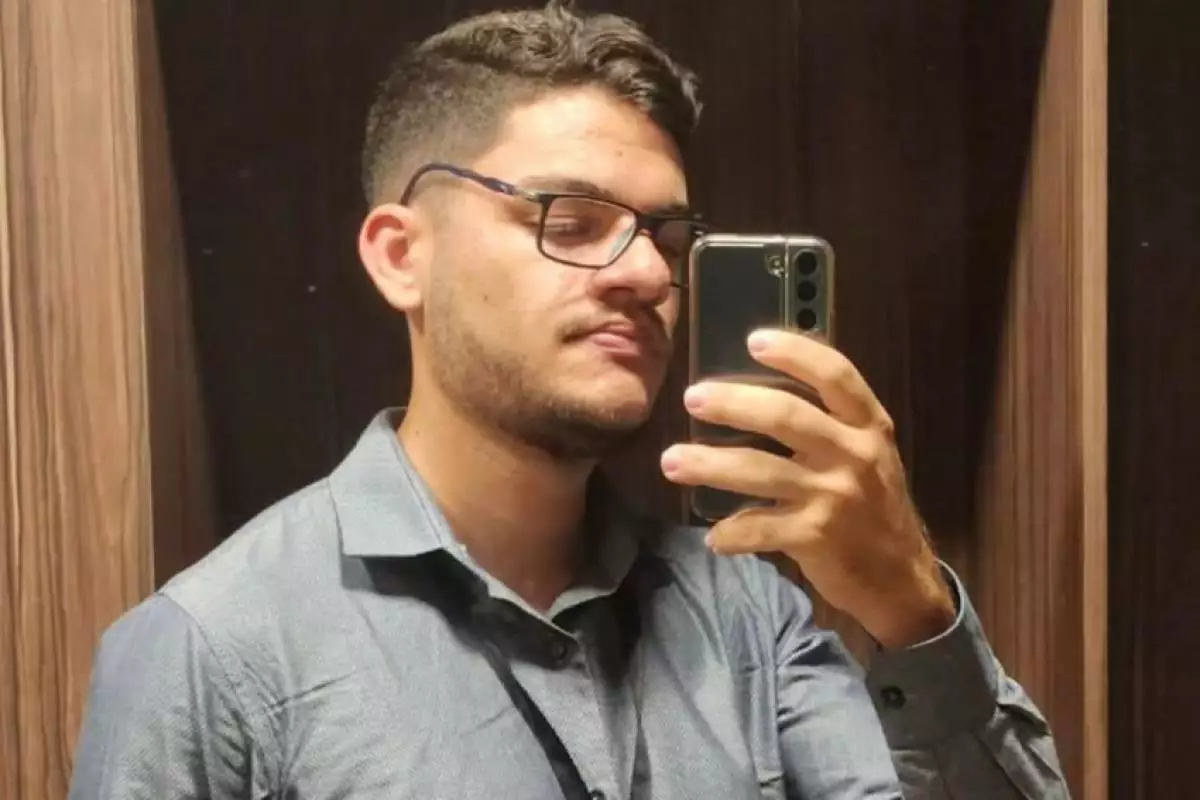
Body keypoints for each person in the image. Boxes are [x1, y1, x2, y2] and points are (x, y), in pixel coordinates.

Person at [69, 2, 1068, 798]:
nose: (645, 272)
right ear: (401, 255)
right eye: (571, 219)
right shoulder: (212, 650)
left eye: (665, 236)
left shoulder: (749, 618)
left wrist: (909, 606)